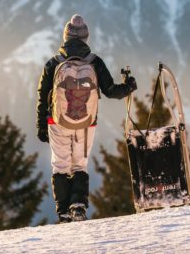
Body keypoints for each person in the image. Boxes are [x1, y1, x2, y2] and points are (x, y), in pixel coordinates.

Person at [36, 14, 137, 223]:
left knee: (61, 166)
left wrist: (41, 126)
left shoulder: (53, 64)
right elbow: (110, 91)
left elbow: (42, 96)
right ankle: (78, 205)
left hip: (57, 122)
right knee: (79, 165)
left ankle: (63, 213)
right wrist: (128, 86)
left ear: (65, 37)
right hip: (86, 122)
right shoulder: (94, 62)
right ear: (85, 38)